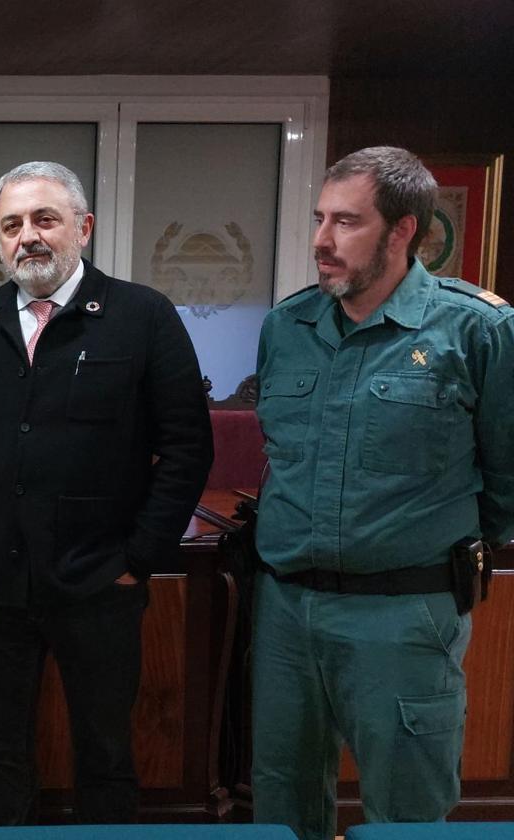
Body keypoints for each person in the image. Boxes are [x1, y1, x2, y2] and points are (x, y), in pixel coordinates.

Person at [0, 160, 213, 824]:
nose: (29, 237)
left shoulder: (143, 316)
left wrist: (140, 556)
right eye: (11, 225)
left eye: (45, 219)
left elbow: (188, 447)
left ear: (83, 226)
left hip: (99, 584)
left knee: (104, 754)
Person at [252, 146, 514, 840]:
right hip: (287, 609)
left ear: (402, 231)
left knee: (406, 811)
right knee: (280, 805)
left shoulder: (479, 329)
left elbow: (508, 480)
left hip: (404, 612)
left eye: (346, 222)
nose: (320, 241)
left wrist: (434, 549)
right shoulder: (288, 326)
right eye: (319, 219)